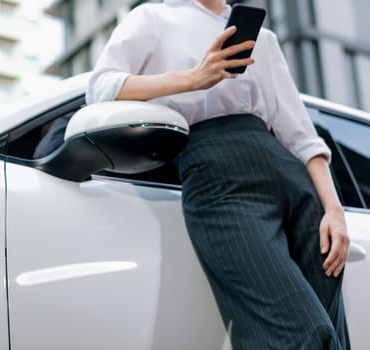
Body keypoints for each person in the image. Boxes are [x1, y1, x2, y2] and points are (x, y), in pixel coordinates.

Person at [86, 1, 351, 349]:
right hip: (219, 175)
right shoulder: (153, 18)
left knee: (331, 338)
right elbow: (100, 88)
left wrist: (334, 209)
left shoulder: (265, 40)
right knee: (303, 335)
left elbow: (301, 136)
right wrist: (195, 78)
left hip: (296, 187)